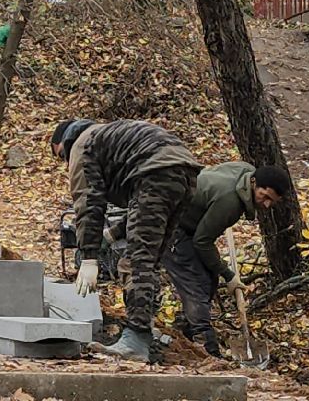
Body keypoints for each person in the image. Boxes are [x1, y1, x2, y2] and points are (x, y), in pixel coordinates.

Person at [53, 117, 202, 362]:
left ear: (66, 141)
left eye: (61, 156)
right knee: (149, 261)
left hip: (154, 173)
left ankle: (136, 338)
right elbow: (141, 207)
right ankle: (145, 330)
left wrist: (89, 257)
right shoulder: (109, 138)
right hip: (185, 172)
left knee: (135, 263)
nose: (66, 163)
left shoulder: (82, 145)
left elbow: (88, 203)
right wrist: (110, 235)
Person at [162, 162, 293, 356]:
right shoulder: (230, 202)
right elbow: (202, 242)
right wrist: (228, 275)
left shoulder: (245, 171)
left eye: (272, 201)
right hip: (170, 224)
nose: (266, 204)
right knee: (197, 282)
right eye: (264, 196)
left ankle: (184, 332)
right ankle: (206, 346)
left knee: (209, 278)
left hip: (188, 221)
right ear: (254, 183)